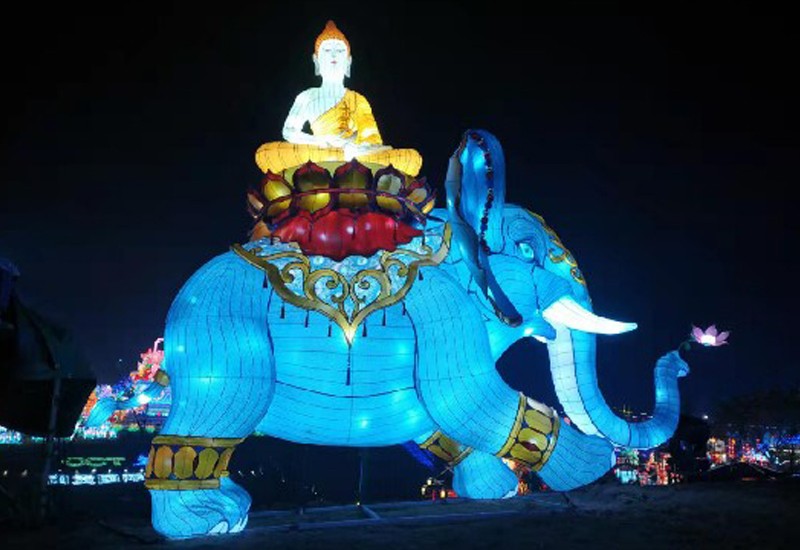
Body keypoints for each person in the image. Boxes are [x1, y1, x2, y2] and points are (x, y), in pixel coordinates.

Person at [255, 20, 423, 176]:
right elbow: (289, 132)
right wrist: (321, 141)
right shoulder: (307, 96)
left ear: (348, 62)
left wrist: (356, 148)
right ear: (316, 61)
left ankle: (345, 164)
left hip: (354, 153)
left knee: (410, 158)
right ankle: (345, 165)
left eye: (340, 51)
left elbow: (372, 139)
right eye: (327, 50)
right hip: (318, 152)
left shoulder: (357, 99)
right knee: (267, 153)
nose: (334, 55)